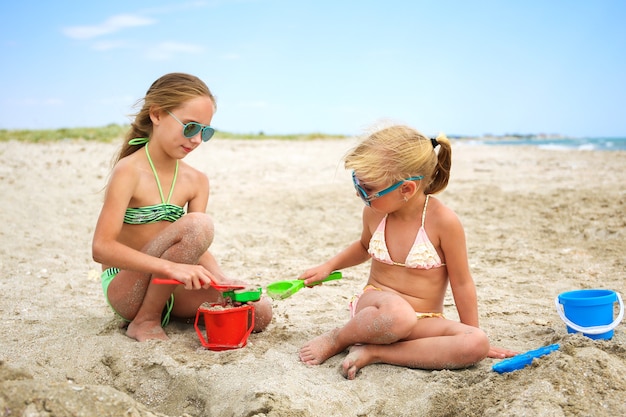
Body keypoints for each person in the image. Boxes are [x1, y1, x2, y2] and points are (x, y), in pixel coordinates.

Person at [298, 124, 516, 379]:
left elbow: (462, 282)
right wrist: (328, 266)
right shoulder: (375, 212)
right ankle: (340, 337)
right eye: (357, 183)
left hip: (424, 320)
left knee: (476, 343)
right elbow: (363, 247)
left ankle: (375, 353)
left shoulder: (444, 222)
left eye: (367, 189)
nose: (360, 195)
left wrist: (471, 330)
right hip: (377, 310)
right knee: (398, 315)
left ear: (406, 189)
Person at [92, 72, 272, 342]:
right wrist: (169, 268)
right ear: (157, 115)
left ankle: (164, 312)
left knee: (259, 312)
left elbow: (195, 245)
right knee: (199, 223)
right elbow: (101, 248)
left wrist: (222, 278)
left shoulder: (196, 181)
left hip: (169, 287)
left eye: (205, 131)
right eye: (190, 127)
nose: (197, 139)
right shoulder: (129, 171)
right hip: (129, 287)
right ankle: (145, 320)